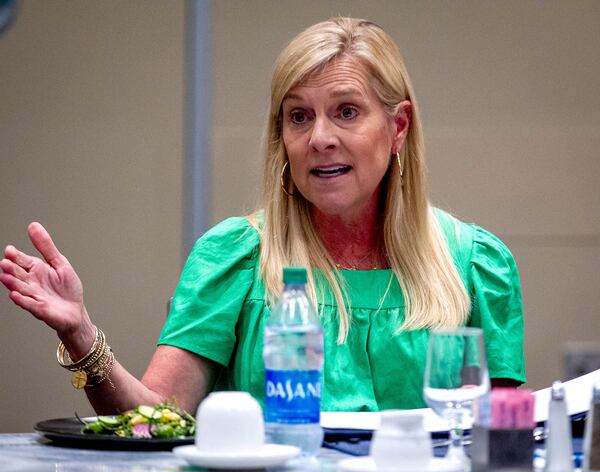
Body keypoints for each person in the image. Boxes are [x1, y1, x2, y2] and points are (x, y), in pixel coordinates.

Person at [0, 17, 524, 416]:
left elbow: (509, 442)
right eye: (299, 116)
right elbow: (153, 419)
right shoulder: (236, 256)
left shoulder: (476, 264)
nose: (319, 138)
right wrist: (82, 334)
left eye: (346, 111)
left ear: (399, 127)